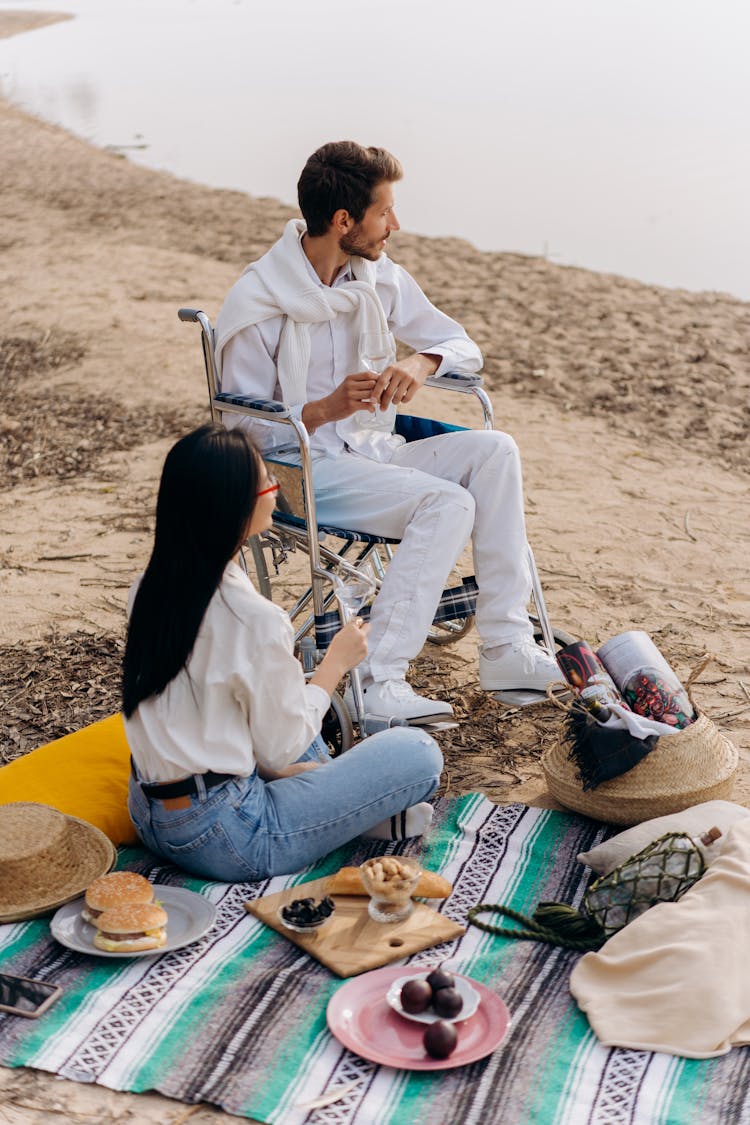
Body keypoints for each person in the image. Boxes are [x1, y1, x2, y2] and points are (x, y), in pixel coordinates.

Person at [214, 140, 559, 725]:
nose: (394, 225)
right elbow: (240, 428)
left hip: (371, 450)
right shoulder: (260, 301)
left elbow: (461, 345)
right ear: (344, 220)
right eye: (384, 212)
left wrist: (420, 363)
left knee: (495, 451)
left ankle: (505, 646)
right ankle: (379, 679)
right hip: (299, 469)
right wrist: (320, 409)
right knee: (446, 504)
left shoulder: (373, 278)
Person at [123, 423, 442, 882]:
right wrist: (335, 666)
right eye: (267, 481)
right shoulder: (251, 616)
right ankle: (349, 813)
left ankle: (342, 808)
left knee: (282, 696)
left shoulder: (148, 587)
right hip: (229, 833)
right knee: (419, 751)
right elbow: (283, 745)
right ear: (234, 505)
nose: (275, 491)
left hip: (150, 811)